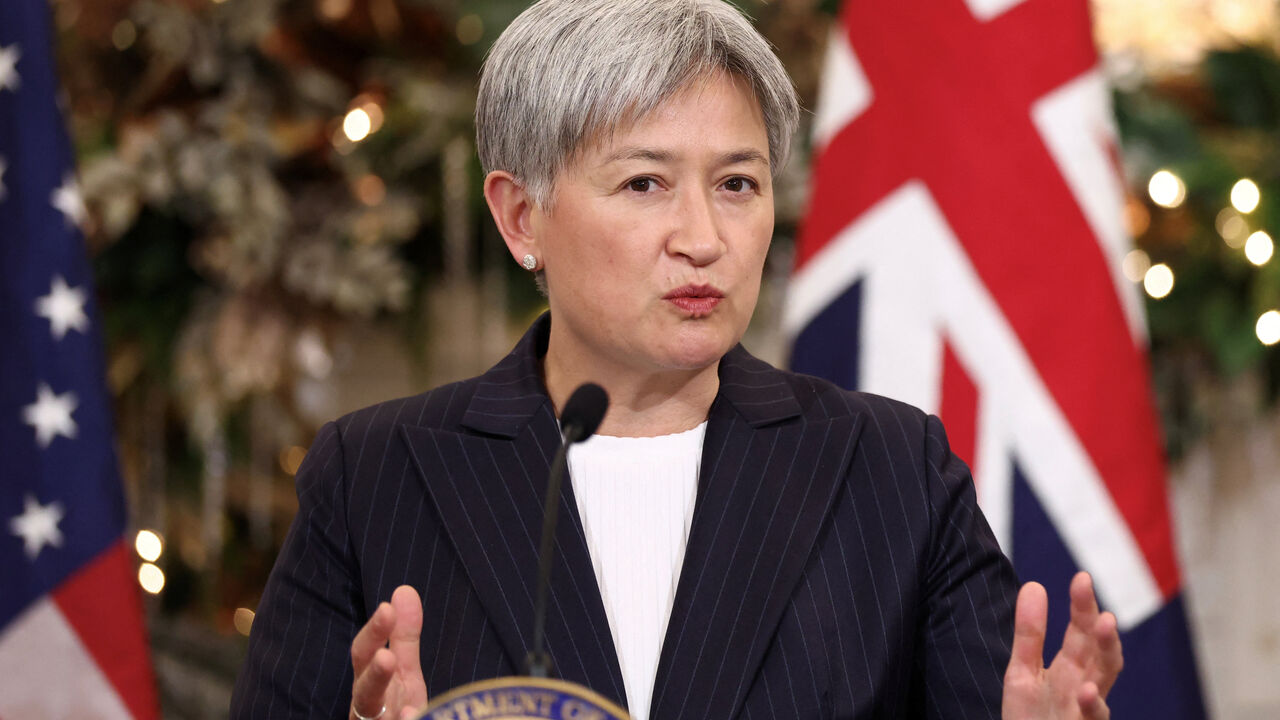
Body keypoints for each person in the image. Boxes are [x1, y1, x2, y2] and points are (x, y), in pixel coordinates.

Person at [230, 1, 1123, 718]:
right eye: (644, 183)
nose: (703, 239)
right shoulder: (375, 475)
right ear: (520, 217)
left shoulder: (891, 469)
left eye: (737, 184)